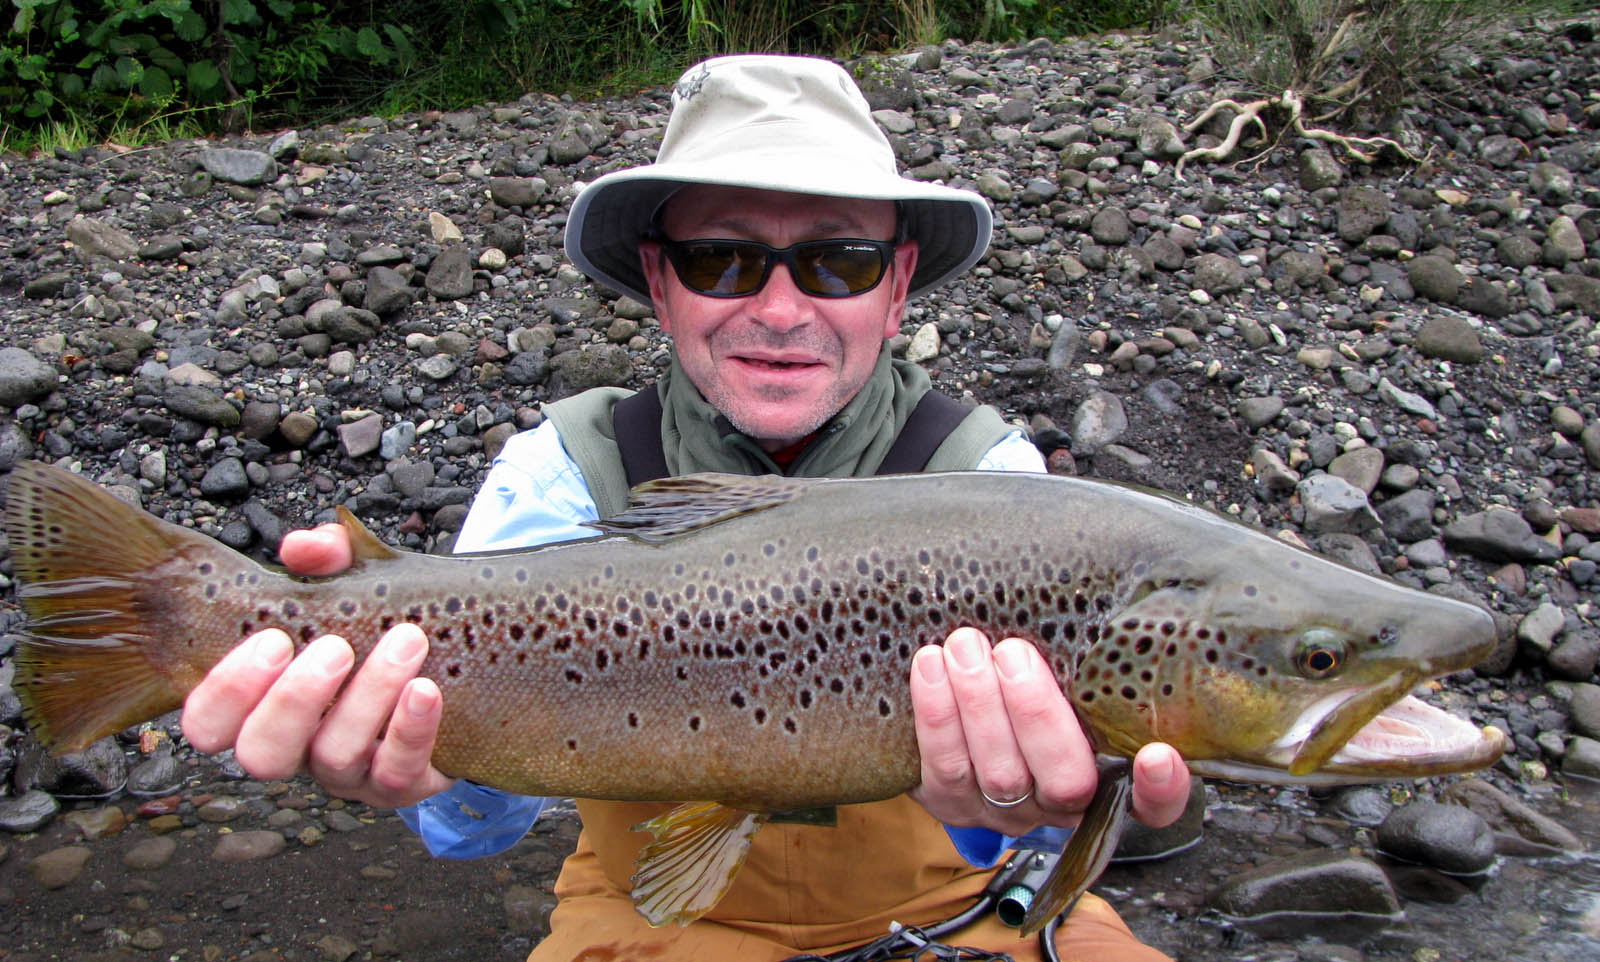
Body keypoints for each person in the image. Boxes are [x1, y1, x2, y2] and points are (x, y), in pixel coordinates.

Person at [180, 55, 1191, 960]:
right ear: (660, 283)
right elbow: (476, 829)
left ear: (897, 287)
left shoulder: (1000, 487)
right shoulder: (564, 473)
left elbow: (1046, 832)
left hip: (966, 914)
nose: (783, 308)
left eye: (838, 259)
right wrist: (403, 762)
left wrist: (1009, 812)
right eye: (723, 258)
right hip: (651, 922)